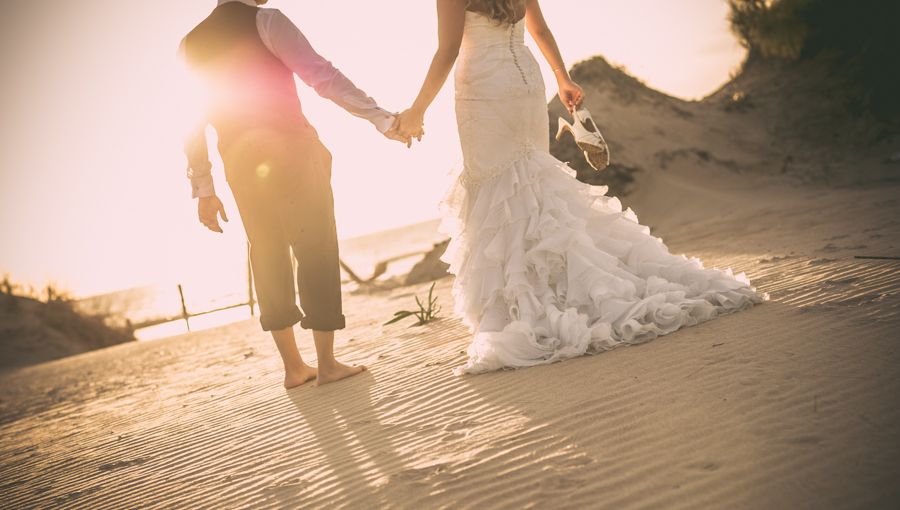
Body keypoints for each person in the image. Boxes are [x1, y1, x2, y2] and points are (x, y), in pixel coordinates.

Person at [390, 0, 767, 375]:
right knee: (532, 184)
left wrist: (417, 110)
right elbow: (539, 29)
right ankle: (554, 284)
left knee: (502, 189)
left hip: (484, 89)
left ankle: (527, 299)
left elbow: (448, 50)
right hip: (526, 83)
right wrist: (562, 77)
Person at [178, 0, 420, 387]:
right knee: (316, 248)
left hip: (240, 163)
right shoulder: (265, 20)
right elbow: (321, 76)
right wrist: (379, 117)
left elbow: (192, 122)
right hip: (293, 150)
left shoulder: (189, 45)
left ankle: (293, 368)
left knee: (266, 252)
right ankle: (326, 365)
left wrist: (204, 189)